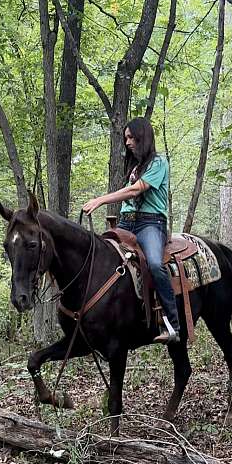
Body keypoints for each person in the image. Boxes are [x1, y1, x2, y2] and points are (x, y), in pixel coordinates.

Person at [82, 117, 180, 344]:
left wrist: (100, 200)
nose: (127, 142)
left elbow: (136, 191)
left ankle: (172, 323)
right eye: (125, 138)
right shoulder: (135, 168)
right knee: (101, 259)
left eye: (130, 137)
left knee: (155, 264)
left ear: (142, 136)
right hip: (126, 223)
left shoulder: (158, 163)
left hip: (150, 223)